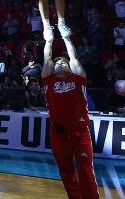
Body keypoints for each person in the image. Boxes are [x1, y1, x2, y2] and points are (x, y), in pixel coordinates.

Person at [42, 32, 99, 199]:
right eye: (57, 62)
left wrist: (66, 37)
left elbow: (74, 58)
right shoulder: (48, 81)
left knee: (85, 170)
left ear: (69, 67)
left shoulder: (78, 79)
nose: (59, 63)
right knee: (66, 172)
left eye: (63, 62)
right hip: (58, 133)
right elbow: (47, 59)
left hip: (80, 132)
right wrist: (49, 41)